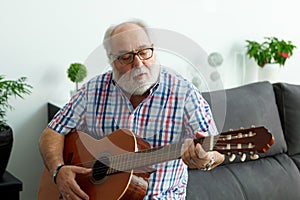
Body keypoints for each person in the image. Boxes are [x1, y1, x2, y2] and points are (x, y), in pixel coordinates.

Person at [39, 20, 225, 200]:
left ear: (153, 50)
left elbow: (216, 151)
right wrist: (58, 170)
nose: (138, 64)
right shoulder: (93, 90)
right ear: (112, 61)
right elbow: (52, 132)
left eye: (144, 52)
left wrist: (206, 158)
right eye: (126, 57)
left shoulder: (184, 93)